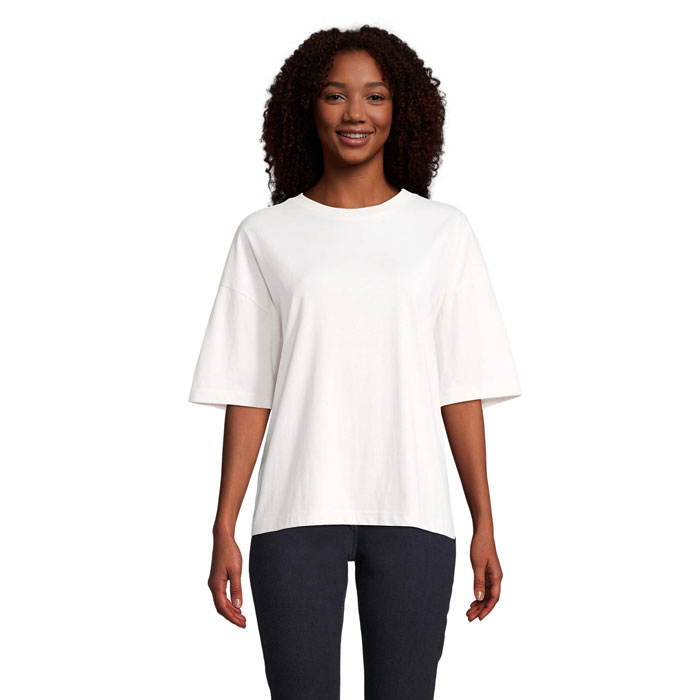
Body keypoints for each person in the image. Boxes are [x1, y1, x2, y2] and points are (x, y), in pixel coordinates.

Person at [188, 24, 522, 700]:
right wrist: (224, 525)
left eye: (375, 95)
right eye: (335, 95)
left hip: (414, 508)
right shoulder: (265, 236)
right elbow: (248, 390)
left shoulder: (442, 232)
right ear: (307, 108)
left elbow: (460, 388)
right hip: (293, 510)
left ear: (401, 110)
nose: (355, 113)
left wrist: (484, 521)